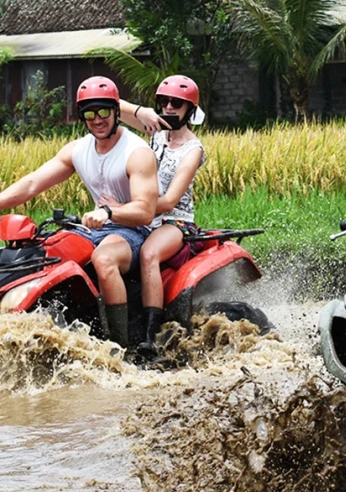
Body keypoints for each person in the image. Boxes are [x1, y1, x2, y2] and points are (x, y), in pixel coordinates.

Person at [0, 76, 158, 346]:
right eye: (89, 113)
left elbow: (145, 211)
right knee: (43, 254)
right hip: (93, 228)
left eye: (104, 112)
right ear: (82, 117)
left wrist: (108, 212)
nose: (97, 119)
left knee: (104, 259)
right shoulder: (78, 150)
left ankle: (120, 347)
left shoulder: (137, 152)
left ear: (117, 111)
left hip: (134, 231)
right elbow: (32, 183)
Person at [110, 75, 206, 357]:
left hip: (174, 219)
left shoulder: (193, 150)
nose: (168, 107)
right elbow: (112, 104)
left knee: (149, 254)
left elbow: (170, 200)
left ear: (189, 109)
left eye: (176, 103)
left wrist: (124, 208)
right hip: (142, 215)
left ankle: (152, 336)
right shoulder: (156, 132)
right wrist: (142, 112)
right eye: (163, 102)